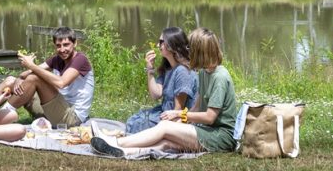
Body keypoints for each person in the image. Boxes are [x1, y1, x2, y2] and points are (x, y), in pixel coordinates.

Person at [90, 27, 237, 156]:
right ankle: (124, 152)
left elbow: (210, 117)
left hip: (221, 137)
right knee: (167, 142)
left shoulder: (220, 77)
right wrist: (181, 121)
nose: (188, 50)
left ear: (200, 51)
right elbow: (197, 107)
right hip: (207, 131)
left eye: (190, 47)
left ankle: (115, 143)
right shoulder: (204, 73)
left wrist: (178, 114)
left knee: (165, 127)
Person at [6, 26, 94, 128]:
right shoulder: (57, 59)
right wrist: (20, 78)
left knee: (34, 78)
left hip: (72, 117)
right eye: (58, 46)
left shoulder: (80, 59)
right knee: (11, 82)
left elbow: (61, 83)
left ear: (75, 43)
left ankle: (3, 116)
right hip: (57, 109)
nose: (62, 49)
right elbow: (30, 72)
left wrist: (31, 65)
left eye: (66, 45)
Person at [125, 27, 198, 133]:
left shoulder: (182, 71)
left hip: (177, 120)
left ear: (172, 44)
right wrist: (150, 70)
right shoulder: (168, 67)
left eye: (161, 42)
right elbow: (156, 94)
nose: (158, 45)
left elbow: (178, 110)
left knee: (138, 124)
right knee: (134, 119)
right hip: (165, 113)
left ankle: (120, 137)